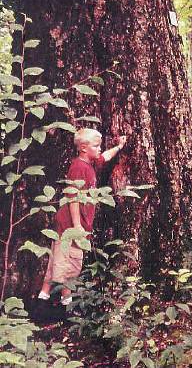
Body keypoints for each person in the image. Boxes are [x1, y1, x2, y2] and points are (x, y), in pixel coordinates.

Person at [33, 128, 126, 320]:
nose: (100, 148)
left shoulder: (90, 163)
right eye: (96, 145)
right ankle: (67, 309)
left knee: (57, 265)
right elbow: (72, 195)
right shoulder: (78, 167)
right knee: (69, 267)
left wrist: (118, 147)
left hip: (70, 227)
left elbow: (104, 158)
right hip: (70, 227)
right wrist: (77, 226)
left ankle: (42, 303)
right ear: (83, 148)